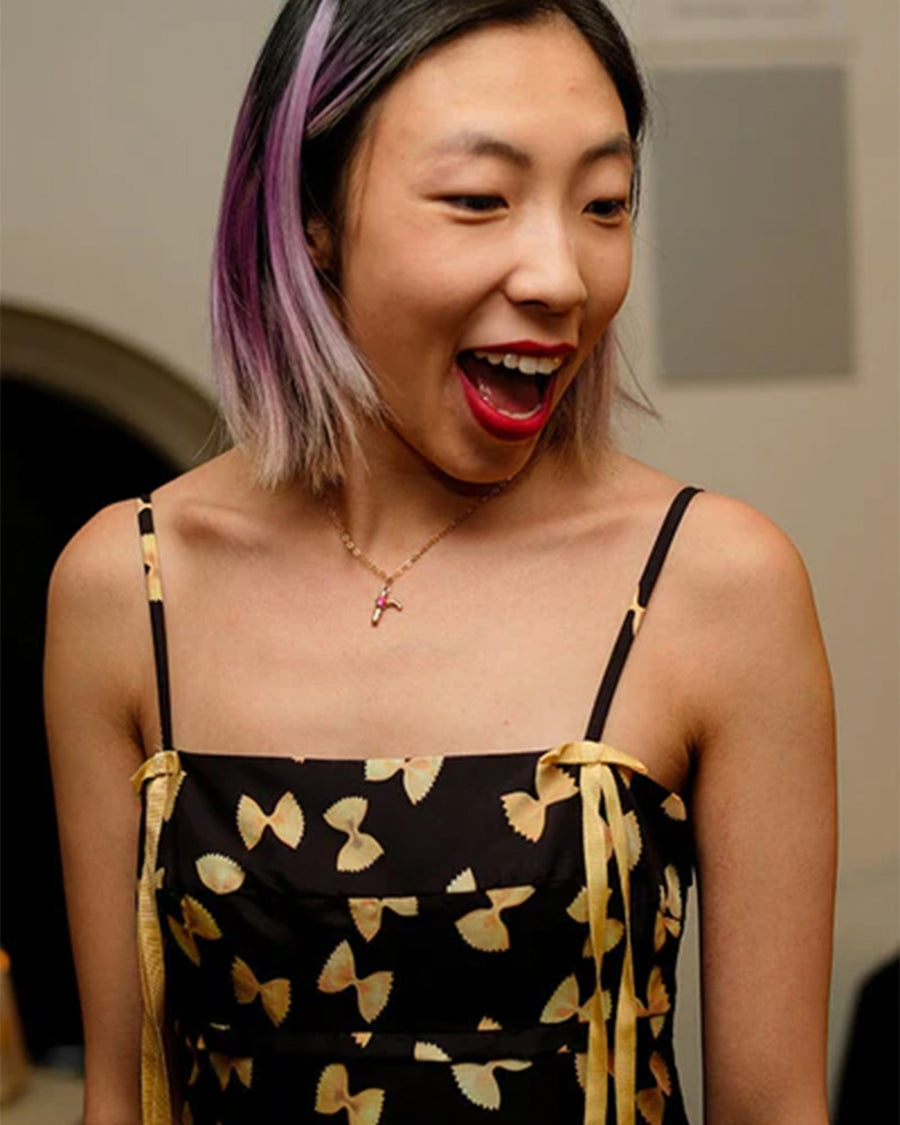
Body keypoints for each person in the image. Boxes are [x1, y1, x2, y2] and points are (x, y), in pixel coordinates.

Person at [44, 1, 837, 1122]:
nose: (562, 277)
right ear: (310, 213)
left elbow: (775, 1107)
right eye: (479, 199)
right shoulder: (126, 589)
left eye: (605, 205)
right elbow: (121, 1100)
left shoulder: (716, 585)